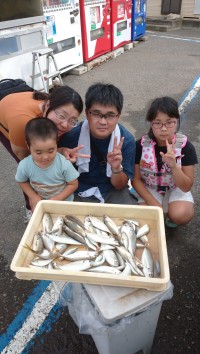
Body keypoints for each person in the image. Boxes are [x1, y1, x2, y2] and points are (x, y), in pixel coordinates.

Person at [0, 85, 84, 221]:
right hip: (8, 115)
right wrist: (33, 196)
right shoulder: (22, 123)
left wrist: (60, 150)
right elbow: (26, 162)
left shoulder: (53, 110)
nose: (64, 125)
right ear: (48, 105)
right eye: (62, 116)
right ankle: (31, 209)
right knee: (34, 166)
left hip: (21, 104)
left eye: (72, 121)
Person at [59, 82, 137, 205]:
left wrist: (116, 168)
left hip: (111, 190)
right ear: (86, 113)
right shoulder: (71, 136)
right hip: (77, 188)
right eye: (96, 114)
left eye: (110, 115)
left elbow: (120, 185)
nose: (103, 121)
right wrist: (60, 153)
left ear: (118, 116)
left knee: (130, 216)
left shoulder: (126, 141)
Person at [131, 96, 198, 227]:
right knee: (144, 218)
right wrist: (155, 205)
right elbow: (135, 179)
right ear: (151, 123)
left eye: (169, 122)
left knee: (181, 215)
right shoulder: (141, 145)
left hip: (175, 187)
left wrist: (173, 166)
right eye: (157, 123)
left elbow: (186, 186)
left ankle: (171, 214)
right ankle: (158, 205)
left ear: (177, 121)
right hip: (150, 187)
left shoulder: (186, 147)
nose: (163, 128)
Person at [15, 118, 79, 214]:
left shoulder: (63, 163)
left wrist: (57, 198)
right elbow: (21, 181)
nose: (45, 157)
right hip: (40, 204)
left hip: (64, 203)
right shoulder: (25, 165)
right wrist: (33, 196)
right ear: (28, 146)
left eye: (51, 151)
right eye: (38, 152)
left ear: (56, 144)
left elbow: (73, 184)